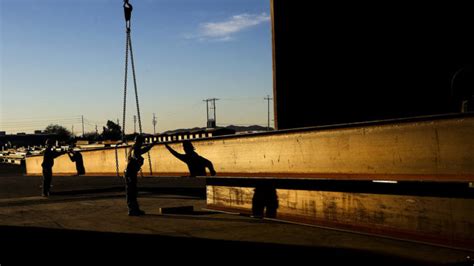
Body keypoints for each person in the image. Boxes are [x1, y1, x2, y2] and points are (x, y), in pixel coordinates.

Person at [125, 134, 156, 216]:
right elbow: (138, 153)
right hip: (130, 172)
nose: (142, 144)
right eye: (141, 142)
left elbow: (143, 150)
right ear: (139, 142)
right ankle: (133, 210)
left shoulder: (133, 148)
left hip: (130, 172)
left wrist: (151, 145)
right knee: (132, 191)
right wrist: (139, 160)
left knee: (131, 191)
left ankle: (133, 209)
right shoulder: (135, 149)